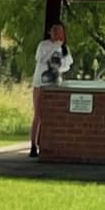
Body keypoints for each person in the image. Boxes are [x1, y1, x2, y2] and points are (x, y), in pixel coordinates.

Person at [30, 22, 73, 157]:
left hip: (55, 83)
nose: (58, 34)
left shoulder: (64, 48)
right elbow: (40, 59)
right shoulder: (44, 45)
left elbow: (67, 65)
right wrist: (54, 47)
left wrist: (59, 65)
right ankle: (33, 144)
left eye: (60, 31)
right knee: (38, 113)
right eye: (56, 31)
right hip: (40, 83)